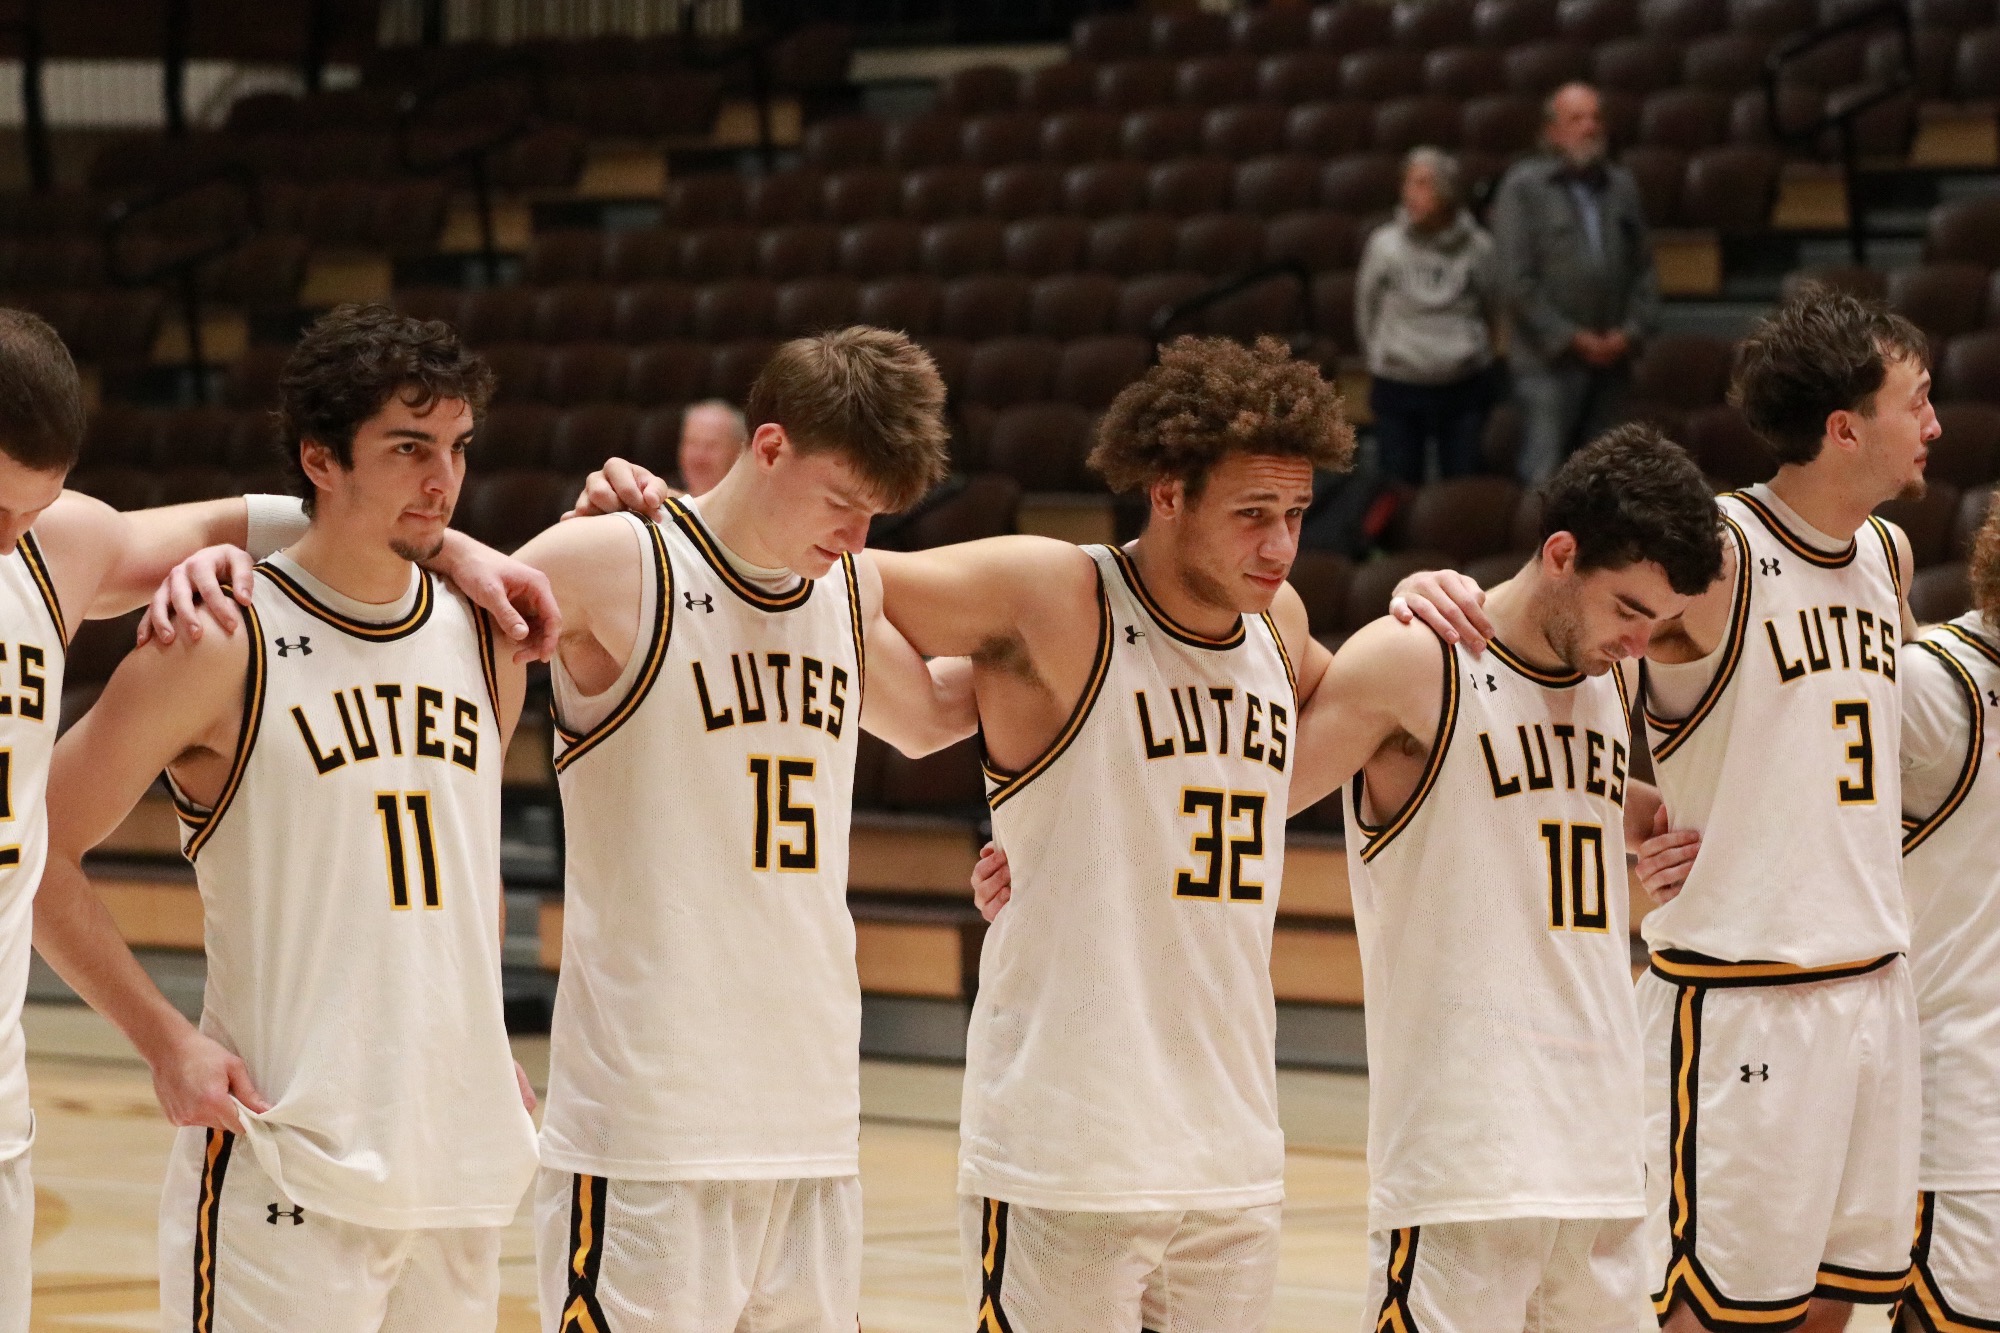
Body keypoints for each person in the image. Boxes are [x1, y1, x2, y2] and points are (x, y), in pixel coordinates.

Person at [571, 334, 1488, 1331]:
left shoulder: (1276, 623)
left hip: (1230, 1147)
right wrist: (647, 535)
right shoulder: (1053, 592)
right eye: (1252, 515)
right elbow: (824, 567)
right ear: (1167, 493)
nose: (1278, 545)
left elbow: (1370, 719)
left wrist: (1415, 603)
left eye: (1296, 515)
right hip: (1068, 1145)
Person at [976, 425, 1725, 1329]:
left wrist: (1641, 827)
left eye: (1658, 622)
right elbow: (1232, 789)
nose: (1640, 643)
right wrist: (1049, 845)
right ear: (1560, 554)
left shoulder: (1602, 679)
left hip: (1600, 1154)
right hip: (1467, 1160)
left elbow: (1533, 817)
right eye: (1629, 609)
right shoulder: (1416, 660)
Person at [0, 306, 548, 1329]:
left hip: (456, 1160)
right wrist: (165, 1039)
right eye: (407, 448)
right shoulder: (215, 638)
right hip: (284, 1153)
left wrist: (468, 1039)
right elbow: (47, 851)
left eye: (456, 450)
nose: (442, 480)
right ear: (320, 458)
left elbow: (458, 876)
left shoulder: (486, 636)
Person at [512, 327, 975, 1333]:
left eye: (875, 514)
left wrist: (1084, 633)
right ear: (768, 447)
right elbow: (439, 673)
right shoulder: (612, 560)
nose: (856, 535)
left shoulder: (845, 587)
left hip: (808, 1114)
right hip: (649, 1126)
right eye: (842, 501)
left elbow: (933, 715)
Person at [1631, 287, 1930, 1329]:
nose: (1933, 424)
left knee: (1833, 1303)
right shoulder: (1715, 553)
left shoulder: (1885, 558)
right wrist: (1606, 809)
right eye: (1915, 401)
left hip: (1871, 980)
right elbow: (1555, 652)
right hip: (1745, 985)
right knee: (1712, 1312)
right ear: (1844, 426)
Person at [1492, 82, 1659, 487]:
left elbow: (1644, 270)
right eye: (1577, 119)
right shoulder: (1523, 188)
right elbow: (1516, 281)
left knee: (1607, 481)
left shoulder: (1621, 186)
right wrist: (1572, 338)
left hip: (1612, 364)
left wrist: (1630, 332)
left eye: (1596, 117)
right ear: (1552, 132)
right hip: (1547, 367)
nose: (1590, 127)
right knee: (1546, 479)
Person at [1356, 146, 1504, 486]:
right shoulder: (1384, 245)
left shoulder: (1479, 247)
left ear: (1448, 191)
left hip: (1463, 384)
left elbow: (1492, 307)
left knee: (1462, 488)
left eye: (1425, 184)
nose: (1413, 194)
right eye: (1409, 183)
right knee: (1397, 487)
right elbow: (1366, 312)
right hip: (1399, 381)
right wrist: (1383, 355)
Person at [677, 398, 749, 496]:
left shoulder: (757, 508)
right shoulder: (659, 502)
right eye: (692, 443)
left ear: (738, 452)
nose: (699, 457)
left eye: (711, 446)